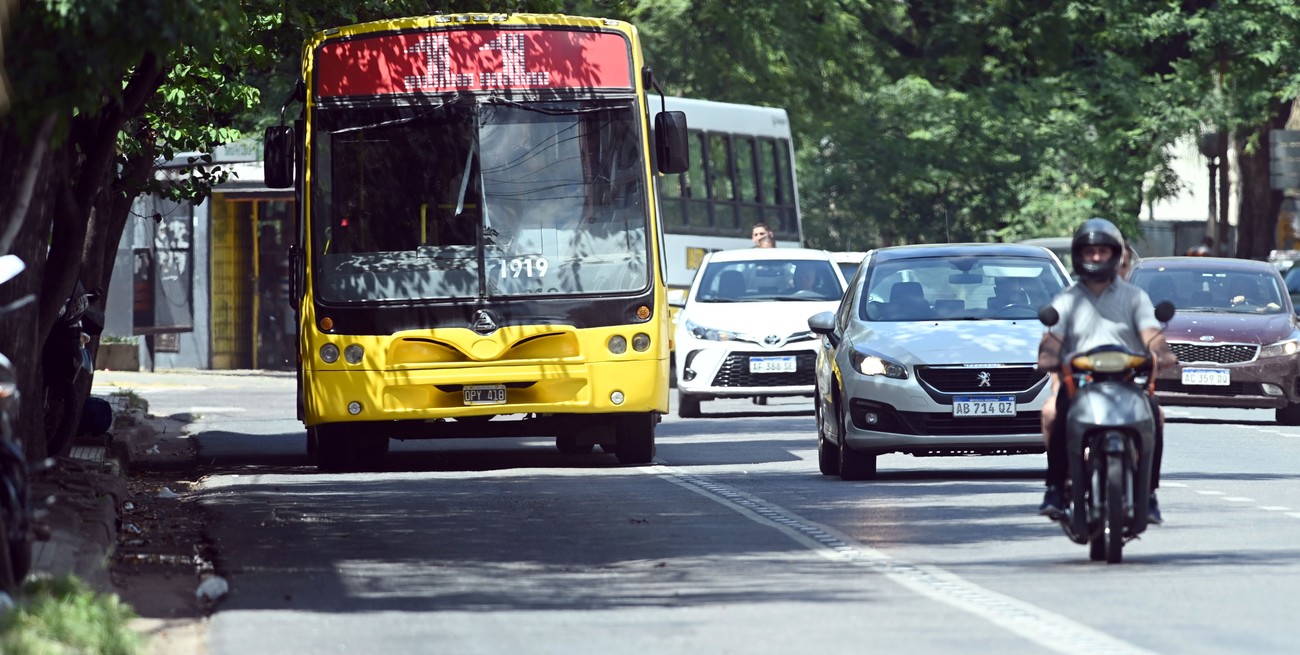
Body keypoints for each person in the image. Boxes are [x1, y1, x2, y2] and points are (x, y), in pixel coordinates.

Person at [1036, 218, 1177, 523]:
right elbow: (1053, 339)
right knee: (1056, 414)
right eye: (1090, 252)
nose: (1096, 257)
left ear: (1114, 254)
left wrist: (1163, 352)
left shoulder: (1134, 297)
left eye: (1102, 251)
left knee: (1156, 415)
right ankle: (1055, 489)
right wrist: (1047, 357)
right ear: (1079, 255)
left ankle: (1149, 494)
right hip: (1080, 381)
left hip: (1126, 381)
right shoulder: (1067, 298)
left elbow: (1151, 333)